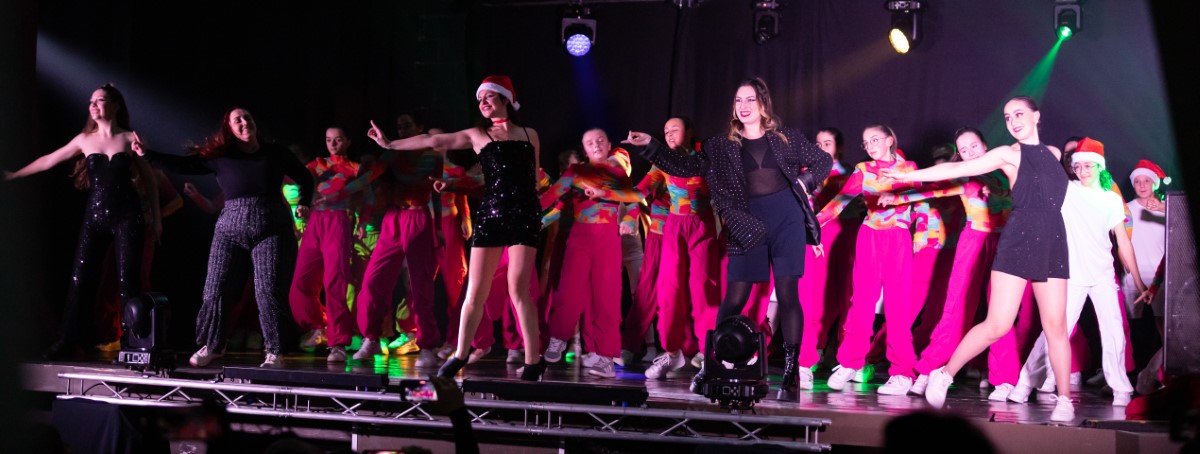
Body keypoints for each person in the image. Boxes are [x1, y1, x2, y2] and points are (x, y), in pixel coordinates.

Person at [623, 77, 832, 396]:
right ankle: (712, 365)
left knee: (788, 294)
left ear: (763, 104)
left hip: (786, 220)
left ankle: (791, 373)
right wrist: (651, 145)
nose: (743, 106)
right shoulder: (721, 145)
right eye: (738, 100)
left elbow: (823, 160)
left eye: (750, 100)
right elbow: (684, 166)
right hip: (746, 223)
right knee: (734, 298)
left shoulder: (786, 138)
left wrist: (805, 182)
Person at [881, 96, 1074, 421]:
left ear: (1036, 116)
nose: (1013, 121)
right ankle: (945, 374)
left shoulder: (1054, 154)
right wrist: (904, 177)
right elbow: (957, 168)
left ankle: (1065, 400)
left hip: (1053, 241)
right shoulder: (1007, 155)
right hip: (1018, 240)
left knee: (1056, 326)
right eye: (1007, 117)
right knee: (997, 324)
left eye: (1019, 114)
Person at [366, 75, 547, 381]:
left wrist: (535, 210)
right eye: (480, 99)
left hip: (524, 216)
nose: (483, 102)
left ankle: (533, 362)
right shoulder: (478, 134)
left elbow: (533, 180)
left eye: (489, 96)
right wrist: (390, 144)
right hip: (492, 215)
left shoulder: (530, 135)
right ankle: (460, 354)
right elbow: (434, 141)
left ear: (505, 98)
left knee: (519, 290)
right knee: (475, 291)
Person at [138, 107, 314, 368]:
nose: (244, 122)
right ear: (229, 128)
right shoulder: (221, 157)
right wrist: (147, 155)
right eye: (237, 120)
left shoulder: (275, 153)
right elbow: (183, 165)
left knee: (268, 291)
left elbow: (305, 177)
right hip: (230, 229)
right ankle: (214, 345)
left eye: (248, 118)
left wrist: (304, 202)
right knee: (215, 289)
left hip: (271, 228)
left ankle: (275, 351)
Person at [5, 84, 158, 359]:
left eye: (100, 100)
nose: (93, 105)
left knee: (128, 280)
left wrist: (156, 220)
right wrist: (15, 175)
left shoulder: (129, 138)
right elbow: (49, 160)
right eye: (91, 102)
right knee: (80, 278)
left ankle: (134, 342)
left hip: (127, 216)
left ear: (115, 106)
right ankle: (69, 340)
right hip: (95, 217)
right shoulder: (84, 140)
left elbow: (150, 180)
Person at [1007, 138, 1147, 406]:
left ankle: (1121, 389)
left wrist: (1140, 284)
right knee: (1054, 331)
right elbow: (1041, 169)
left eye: (1088, 166)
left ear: (1100, 167)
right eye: (1078, 166)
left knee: (1114, 331)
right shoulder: (1067, 190)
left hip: (1102, 275)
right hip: (1071, 276)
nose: (1082, 171)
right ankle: (1025, 383)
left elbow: (1123, 242)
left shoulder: (1111, 199)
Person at [877, 127, 1014, 399]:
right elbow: (933, 190)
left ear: (985, 145)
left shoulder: (1007, 168)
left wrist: (996, 186)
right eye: (963, 150)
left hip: (1005, 243)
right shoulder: (962, 174)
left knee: (1001, 313)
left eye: (974, 146)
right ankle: (929, 369)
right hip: (973, 241)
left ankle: (1005, 379)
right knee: (955, 309)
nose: (970, 152)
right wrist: (899, 197)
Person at [817, 125, 928, 396]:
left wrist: (923, 231)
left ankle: (902, 372)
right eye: (866, 142)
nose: (870, 145)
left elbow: (922, 200)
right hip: (869, 237)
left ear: (890, 141)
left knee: (897, 305)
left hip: (898, 237)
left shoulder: (908, 168)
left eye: (875, 140)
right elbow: (841, 201)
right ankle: (850, 362)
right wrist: (813, 224)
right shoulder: (863, 169)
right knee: (861, 302)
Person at [539, 128, 635, 378]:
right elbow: (551, 196)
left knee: (607, 296)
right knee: (569, 289)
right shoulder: (575, 172)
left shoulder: (617, 172)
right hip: (581, 235)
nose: (596, 145)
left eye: (601, 140)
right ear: (584, 148)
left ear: (609, 144)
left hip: (608, 238)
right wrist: (529, 214)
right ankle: (558, 337)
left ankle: (605, 357)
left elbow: (634, 200)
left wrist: (629, 220)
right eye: (590, 142)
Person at [288, 126, 366, 363]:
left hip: (338, 222)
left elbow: (366, 196)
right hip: (315, 222)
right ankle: (318, 326)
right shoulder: (317, 165)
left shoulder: (355, 168)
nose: (332, 144)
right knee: (301, 282)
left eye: (338, 139)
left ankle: (338, 342)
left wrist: (361, 221)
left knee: (335, 283)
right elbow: (298, 180)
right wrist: (302, 204)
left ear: (348, 141)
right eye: (328, 139)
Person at [1124, 159, 1169, 394]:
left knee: (1164, 327)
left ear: (1154, 183)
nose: (1142, 185)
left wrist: (1163, 208)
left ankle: (1165, 375)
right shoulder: (1126, 208)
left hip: (1161, 275)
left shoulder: (1167, 207)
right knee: (1131, 327)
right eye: (1138, 181)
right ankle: (1129, 374)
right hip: (1134, 275)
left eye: (1147, 181)